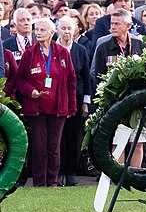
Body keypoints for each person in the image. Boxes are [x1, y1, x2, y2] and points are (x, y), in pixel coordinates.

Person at [14, 18, 76, 187]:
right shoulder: (29, 53)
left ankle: (53, 181)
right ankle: (40, 182)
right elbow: (19, 79)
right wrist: (31, 91)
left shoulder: (63, 53)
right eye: (37, 30)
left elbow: (71, 81)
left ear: (51, 32)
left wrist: (71, 107)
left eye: (42, 30)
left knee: (54, 147)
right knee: (39, 146)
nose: (38, 33)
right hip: (36, 108)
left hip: (58, 107)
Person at [93, 8, 145, 167]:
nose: (112, 27)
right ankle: (119, 176)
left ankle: (135, 176)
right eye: (111, 24)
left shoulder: (139, 45)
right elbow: (97, 75)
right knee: (118, 142)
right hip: (115, 102)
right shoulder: (104, 47)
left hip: (137, 102)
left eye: (117, 24)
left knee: (138, 142)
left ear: (128, 25)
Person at [57, 16, 91, 186]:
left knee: (73, 136)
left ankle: (71, 172)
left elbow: (86, 77)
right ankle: (57, 171)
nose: (66, 32)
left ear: (75, 30)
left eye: (69, 28)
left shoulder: (80, 50)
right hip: (54, 97)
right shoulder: (52, 49)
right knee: (57, 136)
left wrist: (86, 101)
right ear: (57, 30)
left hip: (75, 98)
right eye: (63, 28)